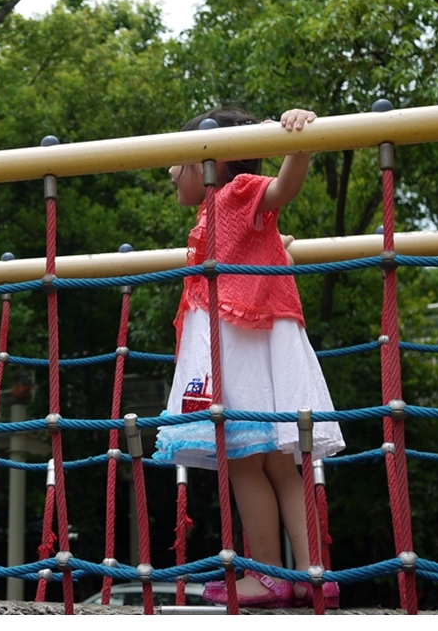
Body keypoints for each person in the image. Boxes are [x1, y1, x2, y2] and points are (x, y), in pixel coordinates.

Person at [152, 106, 345, 609]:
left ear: (209, 160)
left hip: (238, 337)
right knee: (281, 464)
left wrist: (296, 142)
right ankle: (312, 573)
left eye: (179, 159)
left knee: (241, 459)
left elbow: (280, 190)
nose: (171, 171)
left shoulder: (231, 193)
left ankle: (267, 574)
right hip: (256, 333)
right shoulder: (216, 213)